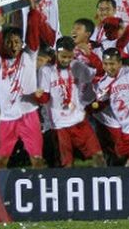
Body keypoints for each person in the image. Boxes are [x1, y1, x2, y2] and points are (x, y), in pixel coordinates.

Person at [0, 4, 45, 169]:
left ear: (22, 43)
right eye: (9, 42)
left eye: (17, 42)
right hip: (8, 118)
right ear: (4, 44)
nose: (13, 46)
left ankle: (39, 191)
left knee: (37, 159)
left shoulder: (29, 56)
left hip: (29, 115)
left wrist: (33, 9)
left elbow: (33, 31)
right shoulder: (0, 63)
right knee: (1, 161)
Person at [36, 36, 106, 168]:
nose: (66, 60)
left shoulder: (77, 66)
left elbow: (101, 72)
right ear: (56, 53)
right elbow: (45, 97)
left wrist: (90, 55)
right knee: (66, 164)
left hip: (79, 120)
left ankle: (102, 184)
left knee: (98, 156)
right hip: (59, 124)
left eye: (69, 57)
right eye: (63, 56)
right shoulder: (46, 71)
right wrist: (38, 96)